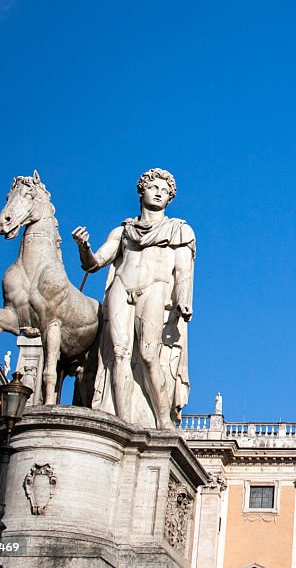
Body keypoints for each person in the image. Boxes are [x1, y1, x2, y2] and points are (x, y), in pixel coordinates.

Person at [72, 168, 195, 430]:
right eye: (154, 187)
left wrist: (183, 299)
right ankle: (122, 422)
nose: (159, 192)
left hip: (154, 289)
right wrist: (84, 247)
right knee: (119, 354)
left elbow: (183, 270)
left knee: (149, 355)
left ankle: (163, 420)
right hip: (121, 286)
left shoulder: (178, 230)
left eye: (165, 190)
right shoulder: (124, 232)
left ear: (170, 197)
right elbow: (94, 264)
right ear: (142, 191)